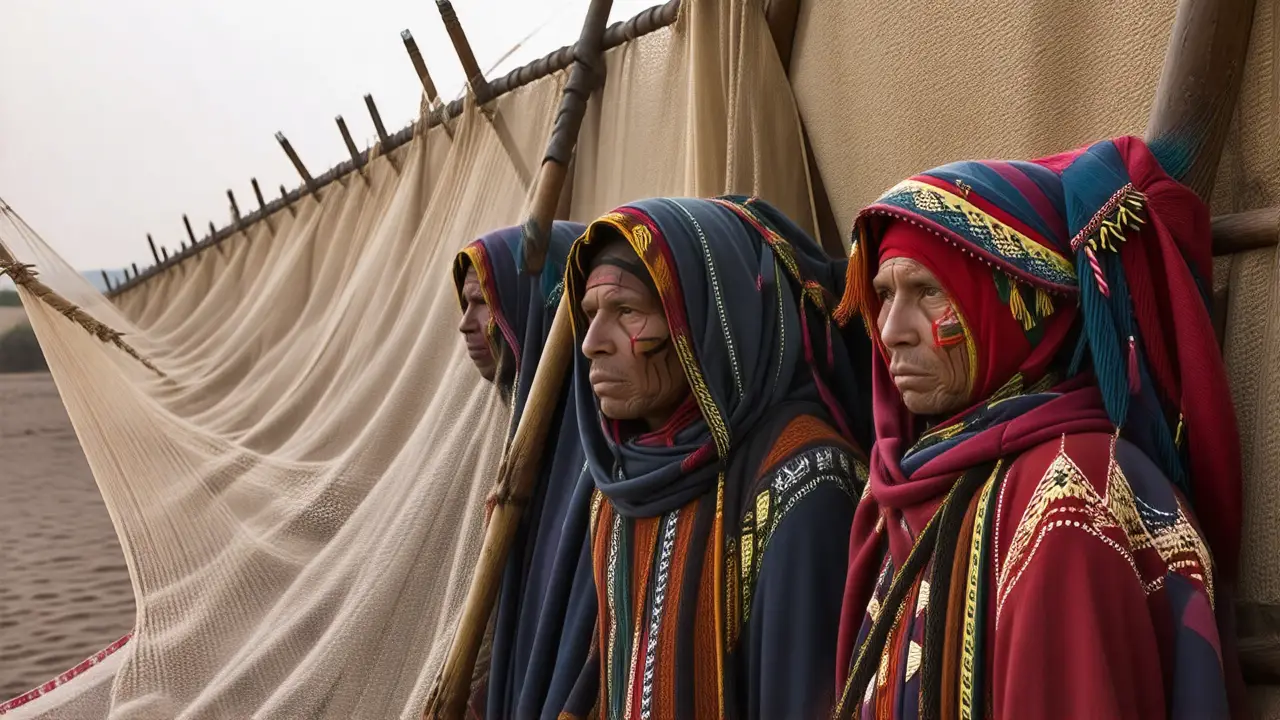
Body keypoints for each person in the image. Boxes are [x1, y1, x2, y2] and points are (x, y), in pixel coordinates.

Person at [830, 136, 1242, 719]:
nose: (891, 329)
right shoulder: (899, 486)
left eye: (927, 291)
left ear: (1017, 300)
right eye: (883, 294)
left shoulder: (1071, 493)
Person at [558, 196, 872, 720]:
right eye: (590, 315)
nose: (591, 343)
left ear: (704, 320)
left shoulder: (805, 484)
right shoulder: (621, 489)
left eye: (627, 311)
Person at [452, 220, 602, 720]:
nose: (466, 323)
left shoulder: (594, 451)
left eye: (480, 301)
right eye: (465, 304)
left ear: (527, 302)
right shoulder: (526, 441)